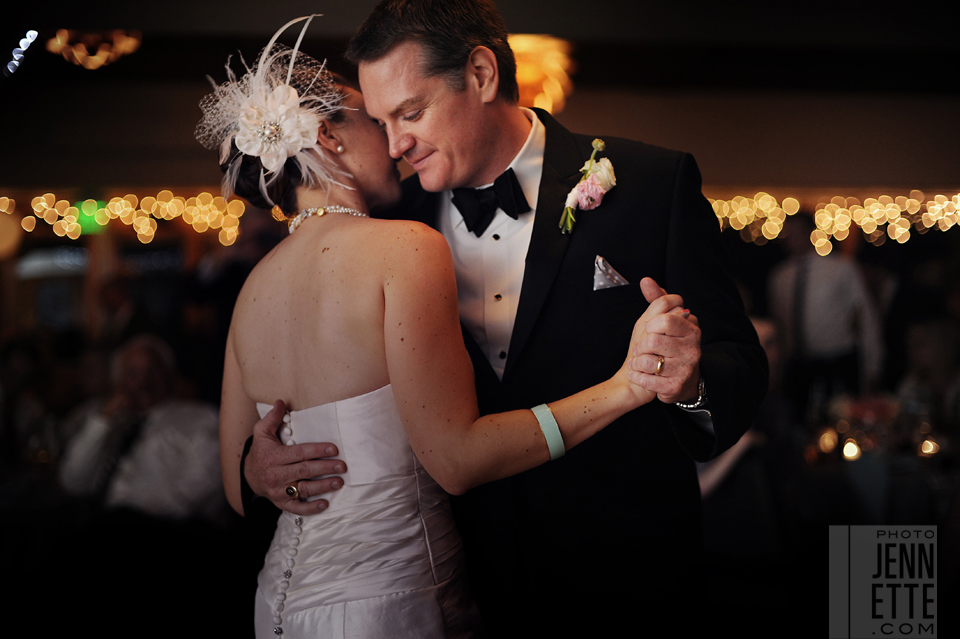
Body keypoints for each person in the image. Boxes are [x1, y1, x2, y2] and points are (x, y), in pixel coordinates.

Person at [240, 2, 768, 635]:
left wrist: (691, 384)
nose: (395, 144)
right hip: (464, 587)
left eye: (411, 112)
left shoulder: (652, 184)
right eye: (380, 122)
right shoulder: (385, 223)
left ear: (483, 75)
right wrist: (258, 464)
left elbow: (740, 371)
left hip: (628, 578)